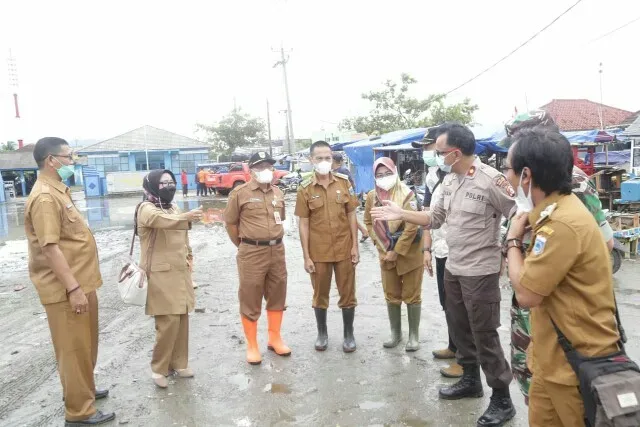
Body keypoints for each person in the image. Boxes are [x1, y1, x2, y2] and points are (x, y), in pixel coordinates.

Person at [371, 123, 517, 427]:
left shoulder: (492, 180)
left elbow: (519, 214)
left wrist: (508, 249)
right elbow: (434, 218)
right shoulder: (449, 181)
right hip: (454, 267)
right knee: (460, 330)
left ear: (455, 152)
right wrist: (400, 213)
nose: (436, 156)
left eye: (439, 152)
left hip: (481, 271)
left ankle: (502, 399)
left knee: (485, 335)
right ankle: (470, 381)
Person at [498, 110, 616, 405]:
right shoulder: (527, 188)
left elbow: (604, 243)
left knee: (568, 395)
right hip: (536, 299)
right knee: (532, 377)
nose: (507, 171)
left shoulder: (569, 189)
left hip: (555, 306)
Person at [24, 137, 115, 426]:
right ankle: (79, 411)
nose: (72, 161)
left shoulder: (59, 191)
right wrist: (73, 288)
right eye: (69, 156)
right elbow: (50, 248)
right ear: (52, 160)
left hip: (82, 283)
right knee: (73, 350)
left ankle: (83, 390)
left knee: (86, 345)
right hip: (67, 289)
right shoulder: (45, 198)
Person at [137, 169, 203, 388]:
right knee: (168, 322)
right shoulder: (146, 208)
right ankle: (159, 368)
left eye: (171, 182)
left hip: (180, 271)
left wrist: (189, 256)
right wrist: (185, 216)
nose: (169, 186)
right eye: (164, 183)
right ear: (153, 185)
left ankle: (179, 363)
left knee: (182, 318)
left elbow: (183, 235)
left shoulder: (172, 207)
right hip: (159, 274)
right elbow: (162, 221)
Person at [224, 151, 291, 365]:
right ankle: (252, 345)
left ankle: (274, 338)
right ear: (251, 170)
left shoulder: (278, 193)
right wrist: (244, 245)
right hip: (252, 252)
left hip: (277, 251)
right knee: (250, 295)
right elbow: (231, 224)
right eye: (260, 167)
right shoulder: (239, 193)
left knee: (278, 292)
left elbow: (282, 220)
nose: (266, 171)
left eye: (269, 166)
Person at [295, 140, 360, 353]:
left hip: (344, 249)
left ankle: (348, 334)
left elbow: (351, 214)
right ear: (311, 160)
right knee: (320, 294)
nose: (324, 162)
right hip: (319, 252)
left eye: (328, 158)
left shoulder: (343, 182)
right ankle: (322, 334)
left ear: (333, 159)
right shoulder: (305, 189)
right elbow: (303, 223)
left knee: (347, 293)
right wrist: (306, 256)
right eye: (319, 158)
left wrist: (355, 247)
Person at [413, 129, 462, 378]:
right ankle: (454, 346)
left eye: (431, 147)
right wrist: (426, 248)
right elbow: (428, 215)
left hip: (460, 249)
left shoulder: (459, 175)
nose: (428, 153)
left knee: (460, 306)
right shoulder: (433, 175)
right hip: (442, 248)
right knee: (447, 302)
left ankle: (465, 359)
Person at [363, 157, 423, 351]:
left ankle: (413, 336)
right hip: (385, 253)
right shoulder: (373, 196)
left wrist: (396, 251)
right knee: (391, 294)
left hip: (410, 253)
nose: (384, 178)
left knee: (412, 295)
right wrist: (379, 244)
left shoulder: (407, 195)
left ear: (395, 172)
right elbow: (369, 221)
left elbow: (412, 226)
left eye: (387, 173)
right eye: (379, 175)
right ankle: (396, 333)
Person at [332, 152, 369, 243]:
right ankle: (364, 232)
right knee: (348, 217)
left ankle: (361, 233)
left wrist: (348, 196)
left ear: (335, 161)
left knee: (348, 217)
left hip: (346, 199)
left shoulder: (343, 170)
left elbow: (352, 184)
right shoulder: (334, 171)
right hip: (339, 199)